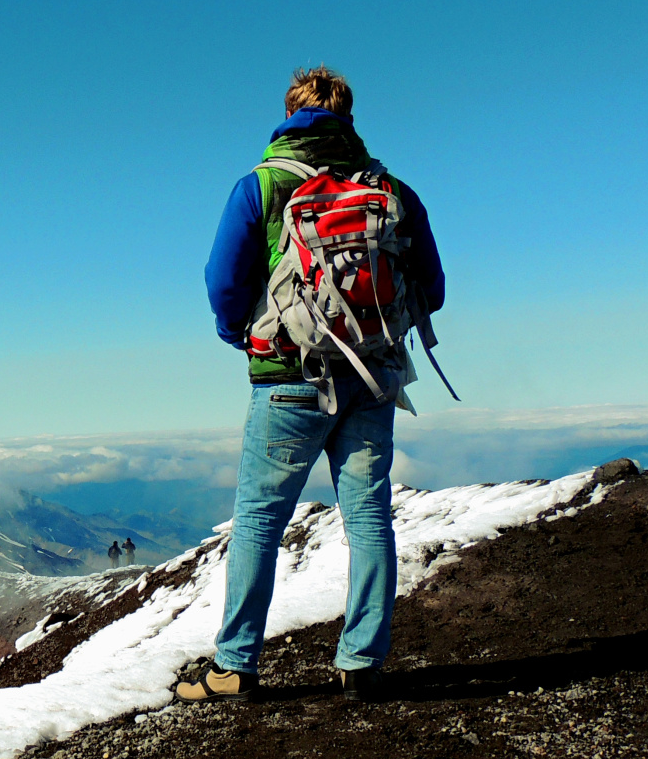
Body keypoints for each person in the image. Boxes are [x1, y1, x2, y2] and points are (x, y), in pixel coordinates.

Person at [174, 67, 445, 705]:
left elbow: (221, 281)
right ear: (348, 115)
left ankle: (235, 667)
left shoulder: (261, 186)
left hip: (288, 376)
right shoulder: (391, 189)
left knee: (260, 523)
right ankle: (361, 664)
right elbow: (432, 287)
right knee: (370, 516)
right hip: (373, 375)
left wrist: (240, 332)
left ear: (289, 113)